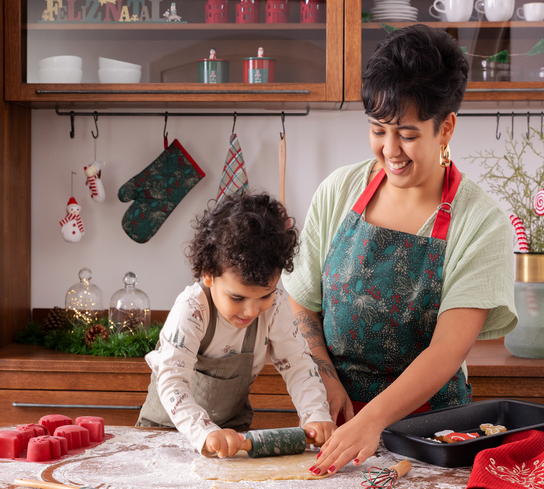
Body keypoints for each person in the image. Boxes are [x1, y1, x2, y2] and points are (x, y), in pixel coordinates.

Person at [281, 24, 518, 476]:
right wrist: (325, 382)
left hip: (431, 437)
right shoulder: (340, 191)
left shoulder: (482, 223)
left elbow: (447, 351)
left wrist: (373, 421)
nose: (390, 150)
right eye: (377, 130)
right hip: (338, 426)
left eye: (407, 134)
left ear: (446, 127)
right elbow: (301, 302)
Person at [137, 192, 336, 458]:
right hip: (164, 437)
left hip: (231, 438)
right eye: (237, 297)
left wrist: (316, 413)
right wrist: (204, 431)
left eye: (265, 295)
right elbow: (172, 381)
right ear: (208, 274)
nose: (252, 310)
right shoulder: (193, 308)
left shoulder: (275, 307)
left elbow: (298, 365)